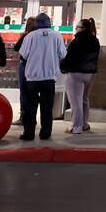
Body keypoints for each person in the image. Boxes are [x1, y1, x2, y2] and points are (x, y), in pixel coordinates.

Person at [17, 13, 66, 141]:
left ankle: (29, 133)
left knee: (30, 107)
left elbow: (24, 55)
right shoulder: (57, 36)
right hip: (49, 78)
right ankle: (45, 133)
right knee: (47, 107)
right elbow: (62, 54)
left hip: (32, 77)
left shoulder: (30, 36)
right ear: (49, 23)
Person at [61, 17, 100, 134]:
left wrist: (62, 66)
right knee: (84, 99)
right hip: (90, 74)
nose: (75, 29)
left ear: (82, 29)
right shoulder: (95, 40)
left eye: (77, 27)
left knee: (75, 101)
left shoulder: (77, 41)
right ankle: (84, 124)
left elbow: (69, 58)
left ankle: (76, 126)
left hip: (76, 73)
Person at [12, 16, 36, 125]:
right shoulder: (38, 36)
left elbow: (16, 48)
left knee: (24, 90)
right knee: (33, 91)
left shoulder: (26, 35)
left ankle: (23, 116)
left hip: (25, 65)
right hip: (35, 66)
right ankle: (32, 117)